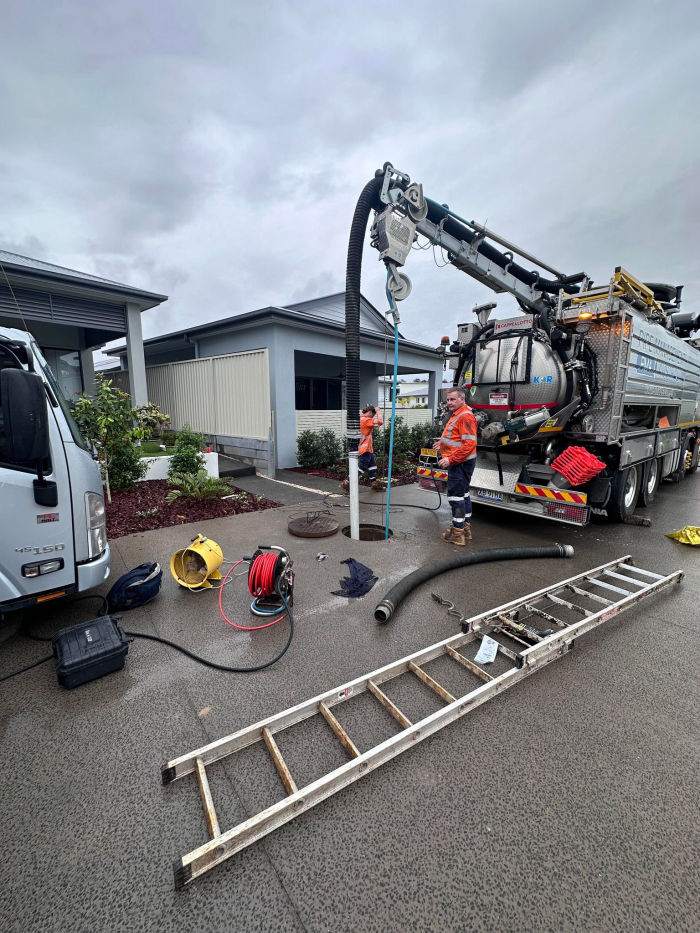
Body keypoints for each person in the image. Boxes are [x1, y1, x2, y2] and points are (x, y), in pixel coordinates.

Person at [437, 386, 477, 545]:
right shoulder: (459, 414)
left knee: (456, 497)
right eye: (448, 400)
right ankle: (465, 530)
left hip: (460, 463)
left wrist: (450, 459)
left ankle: (457, 533)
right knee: (464, 494)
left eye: (453, 399)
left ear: (462, 399)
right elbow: (456, 438)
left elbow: (469, 445)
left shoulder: (465, 416)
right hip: (462, 462)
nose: (449, 403)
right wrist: (442, 443)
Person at [341, 404, 383, 492]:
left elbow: (362, 415)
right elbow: (380, 422)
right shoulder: (366, 420)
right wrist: (378, 411)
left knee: (372, 467)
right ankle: (346, 482)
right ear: (370, 412)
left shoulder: (361, 418)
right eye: (373, 414)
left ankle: (374, 485)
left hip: (368, 449)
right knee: (362, 467)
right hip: (365, 449)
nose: (373, 416)